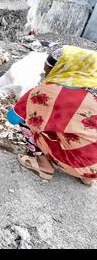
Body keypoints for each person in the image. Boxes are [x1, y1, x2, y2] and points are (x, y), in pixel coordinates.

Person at [7, 45, 97, 186]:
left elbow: (12, 118)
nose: (45, 74)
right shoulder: (92, 91)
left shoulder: (45, 92)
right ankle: (87, 177)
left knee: (29, 117)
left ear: (60, 70)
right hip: (94, 167)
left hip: (77, 162)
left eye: (48, 70)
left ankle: (43, 165)